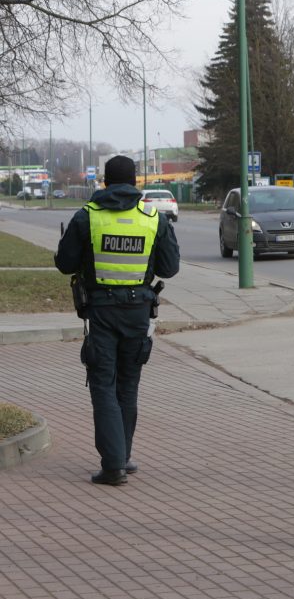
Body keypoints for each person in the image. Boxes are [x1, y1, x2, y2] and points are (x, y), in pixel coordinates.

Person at [55, 155, 180, 486]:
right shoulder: (154, 218)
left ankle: (113, 466)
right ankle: (121, 455)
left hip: (101, 312)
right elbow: (169, 268)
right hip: (139, 312)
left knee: (103, 384)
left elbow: (65, 264)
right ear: (136, 182)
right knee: (128, 383)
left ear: (105, 183)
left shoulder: (88, 217)